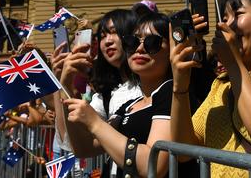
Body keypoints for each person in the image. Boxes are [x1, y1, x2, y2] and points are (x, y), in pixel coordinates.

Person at [170, 0, 251, 177]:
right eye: (225, 19)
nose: (227, 26)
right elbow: (183, 151)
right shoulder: (221, 85)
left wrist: (233, 64)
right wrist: (180, 85)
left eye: (238, 14)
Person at [64, 12, 185, 178]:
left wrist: (95, 123)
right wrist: (65, 87)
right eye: (132, 41)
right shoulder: (130, 105)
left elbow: (153, 165)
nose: (139, 48)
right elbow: (84, 148)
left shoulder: (173, 92)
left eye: (152, 42)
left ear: (173, 50)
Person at [60, 9, 142, 160]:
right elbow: (80, 145)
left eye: (114, 32)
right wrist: (63, 85)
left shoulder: (151, 83)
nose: (108, 41)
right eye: (102, 36)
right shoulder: (106, 95)